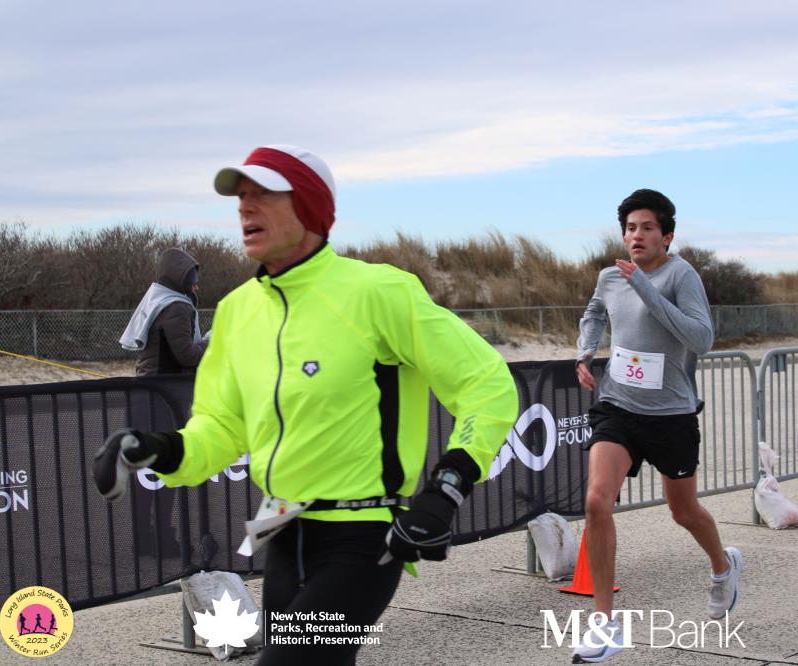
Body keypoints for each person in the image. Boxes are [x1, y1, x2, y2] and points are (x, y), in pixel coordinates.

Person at [93, 144, 518, 665]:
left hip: (364, 539)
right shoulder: (237, 311)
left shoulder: (379, 292)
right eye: (241, 196)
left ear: (310, 207)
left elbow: (485, 383)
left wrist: (446, 488)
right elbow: (221, 427)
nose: (246, 206)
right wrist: (158, 448)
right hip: (282, 531)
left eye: (263, 194)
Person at [571, 189, 740, 663]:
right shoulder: (610, 276)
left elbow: (701, 339)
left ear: (667, 236)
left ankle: (723, 567)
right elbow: (594, 314)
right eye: (630, 228)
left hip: (670, 414)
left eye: (647, 228)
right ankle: (604, 624)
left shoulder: (681, 275)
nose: (637, 235)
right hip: (619, 406)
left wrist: (646, 288)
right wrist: (585, 351)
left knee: (683, 511)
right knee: (596, 501)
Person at [119, 247, 208, 376]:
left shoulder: (157, 299)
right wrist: (211, 341)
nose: (196, 287)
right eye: (192, 281)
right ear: (181, 280)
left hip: (150, 378)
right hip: (165, 383)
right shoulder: (176, 307)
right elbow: (188, 357)